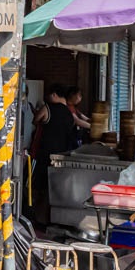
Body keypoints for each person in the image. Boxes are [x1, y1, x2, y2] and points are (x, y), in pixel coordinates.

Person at [31, 84, 77, 229]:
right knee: (54, 189)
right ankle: (51, 219)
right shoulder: (69, 113)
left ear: (55, 95)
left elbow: (35, 120)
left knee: (39, 187)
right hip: (62, 156)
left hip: (45, 154)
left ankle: (38, 219)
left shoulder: (48, 108)